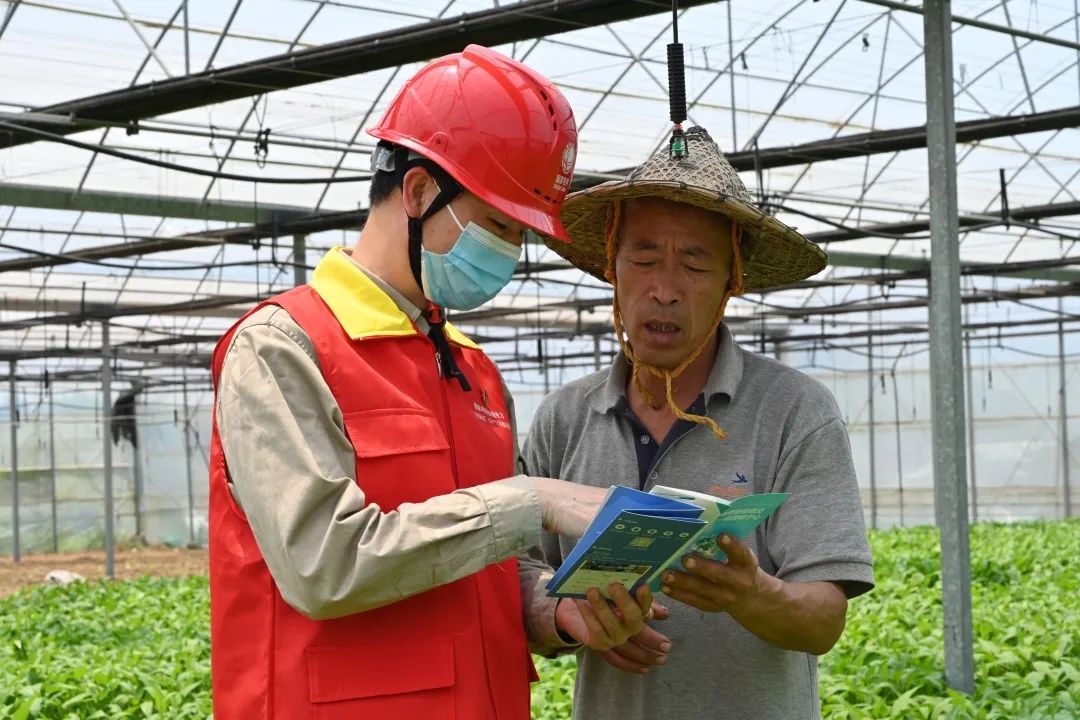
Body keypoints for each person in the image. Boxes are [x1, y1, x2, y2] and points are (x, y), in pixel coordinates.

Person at [208, 45, 652, 720]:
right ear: (417, 191)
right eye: (499, 225)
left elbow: (491, 568)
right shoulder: (282, 348)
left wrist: (556, 612)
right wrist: (529, 499)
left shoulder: (472, 370)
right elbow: (324, 564)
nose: (511, 253)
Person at [525, 126, 875, 719]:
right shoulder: (564, 417)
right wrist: (565, 615)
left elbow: (824, 619)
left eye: (695, 264)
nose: (664, 290)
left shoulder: (795, 412)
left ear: (730, 283)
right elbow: (514, 569)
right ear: (612, 266)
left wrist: (752, 593)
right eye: (643, 258)